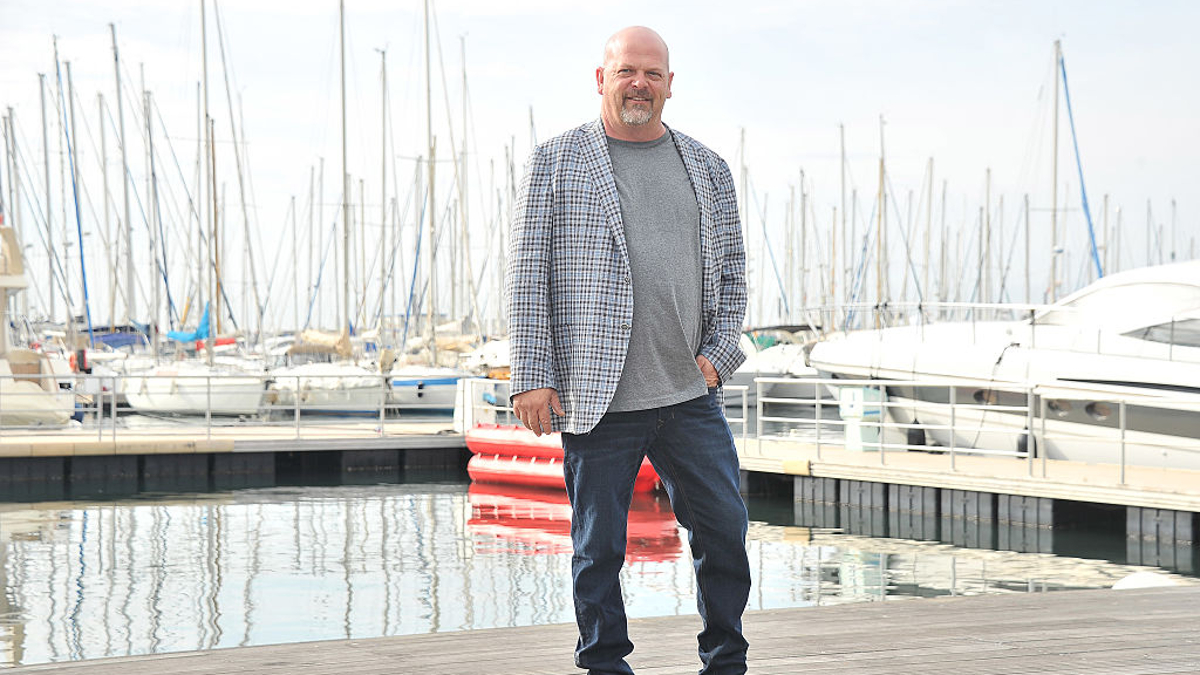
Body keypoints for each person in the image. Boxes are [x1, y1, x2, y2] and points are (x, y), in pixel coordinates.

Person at [505, 25, 751, 675]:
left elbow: (732, 275)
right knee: (598, 547)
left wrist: (719, 355)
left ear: (671, 85)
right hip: (598, 390)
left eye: (651, 73)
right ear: (601, 79)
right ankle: (604, 662)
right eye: (626, 72)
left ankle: (726, 658)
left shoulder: (708, 167)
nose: (638, 83)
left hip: (689, 392)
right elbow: (530, 273)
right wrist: (532, 374)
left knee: (724, 531)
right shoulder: (558, 160)